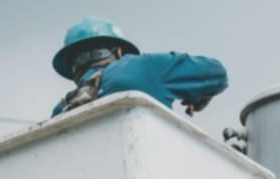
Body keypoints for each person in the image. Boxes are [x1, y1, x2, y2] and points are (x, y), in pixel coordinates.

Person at [50, 17, 228, 118]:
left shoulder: (61, 110)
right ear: (119, 52)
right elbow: (216, 73)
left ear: (73, 69)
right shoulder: (144, 67)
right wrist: (196, 93)